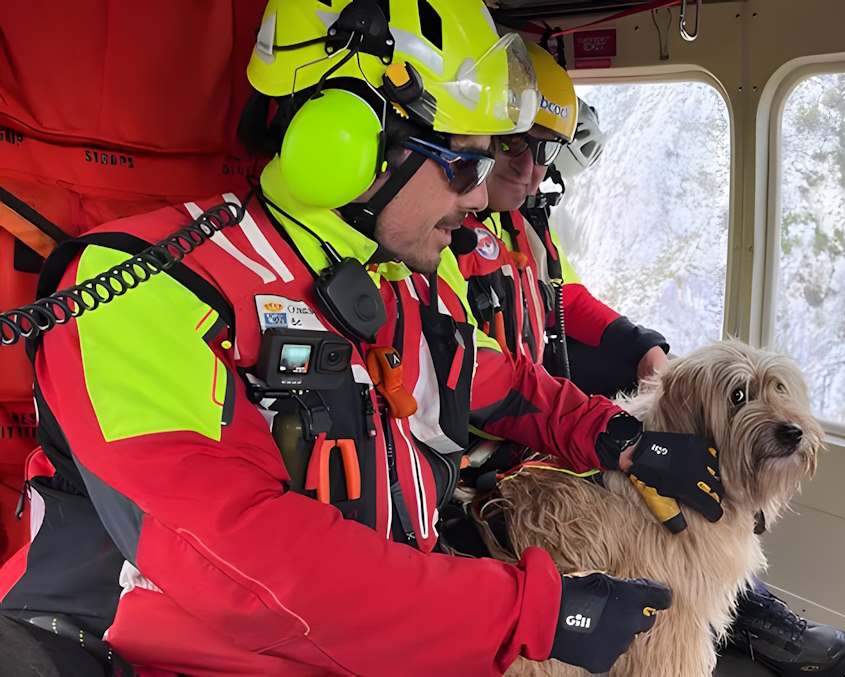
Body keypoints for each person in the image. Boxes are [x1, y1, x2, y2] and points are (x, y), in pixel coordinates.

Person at [0, 2, 727, 674]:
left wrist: (621, 439)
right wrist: (532, 609)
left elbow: (500, 384)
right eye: (464, 161)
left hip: (364, 645)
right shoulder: (140, 287)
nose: (480, 198)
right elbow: (245, 565)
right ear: (346, 140)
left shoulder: (397, 283)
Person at [446, 48, 845, 675]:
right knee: (663, 494)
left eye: (545, 153)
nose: (532, 171)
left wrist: (637, 342)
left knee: (683, 473)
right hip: (484, 449)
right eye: (512, 148)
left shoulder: (519, 229)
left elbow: (561, 297)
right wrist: (609, 433)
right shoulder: (443, 237)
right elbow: (482, 374)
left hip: (531, 422)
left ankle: (721, 592)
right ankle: (692, 598)